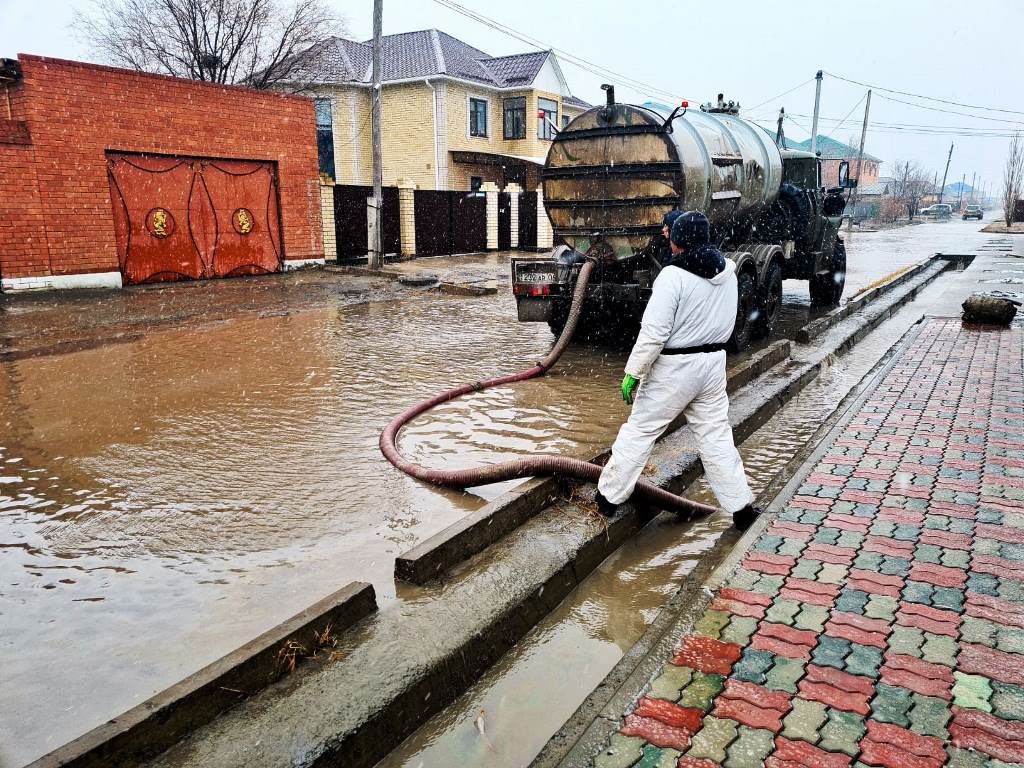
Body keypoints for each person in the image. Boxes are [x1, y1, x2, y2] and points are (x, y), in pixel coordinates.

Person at [595, 211, 760, 530]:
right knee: (716, 437)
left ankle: (607, 499)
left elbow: (654, 332)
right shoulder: (729, 271)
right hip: (713, 365)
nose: (668, 240)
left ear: (680, 240)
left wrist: (634, 371)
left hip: (674, 367)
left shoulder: (672, 276)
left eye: (672, 236)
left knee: (641, 430)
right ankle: (741, 509)